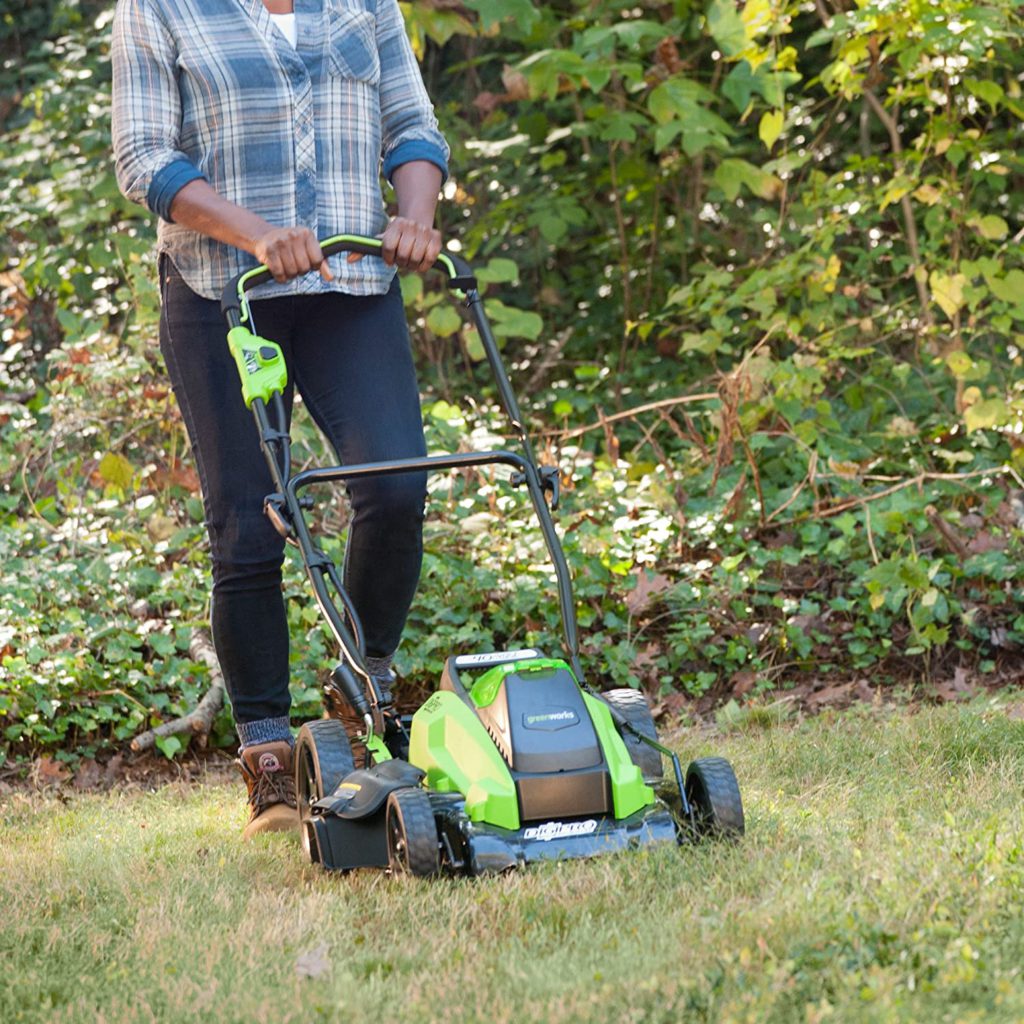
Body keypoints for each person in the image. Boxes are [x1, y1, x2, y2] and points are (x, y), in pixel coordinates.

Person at [111, 0, 448, 838]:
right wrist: (258, 235)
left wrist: (414, 217)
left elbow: (412, 127)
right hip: (223, 293)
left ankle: (359, 681)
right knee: (248, 524)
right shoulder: (159, 8)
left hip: (352, 287)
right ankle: (268, 758)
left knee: (397, 486)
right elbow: (143, 158)